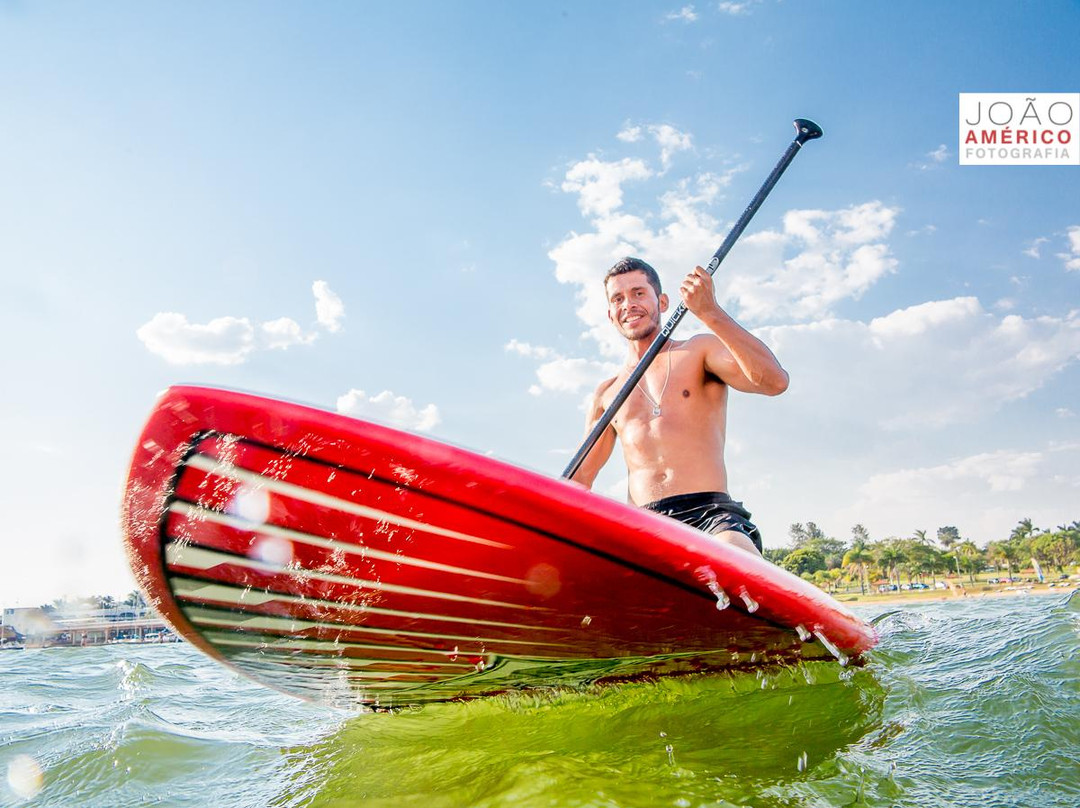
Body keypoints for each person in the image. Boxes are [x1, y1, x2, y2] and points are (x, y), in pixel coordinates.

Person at [572, 257, 789, 555]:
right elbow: (579, 481)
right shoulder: (608, 393)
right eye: (618, 298)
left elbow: (774, 382)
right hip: (643, 525)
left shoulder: (699, 351)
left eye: (638, 293)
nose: (628, 304)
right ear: (610, 315)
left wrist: (710, 311)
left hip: (710, 516)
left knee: (734, 551)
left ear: (662, 302)